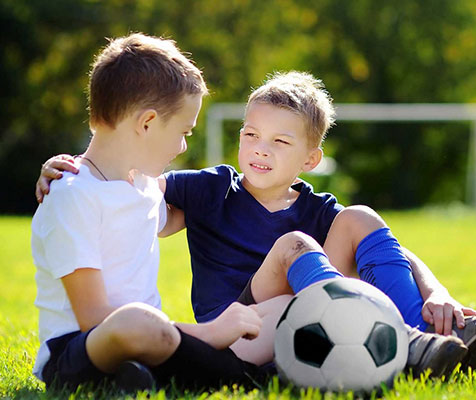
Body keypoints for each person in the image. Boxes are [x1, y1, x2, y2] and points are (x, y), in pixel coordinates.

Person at [37, 72, 476, 379]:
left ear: (311, 158)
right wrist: (66, 168)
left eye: (279, 141)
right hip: (235, 328)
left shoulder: (316, 208)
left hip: (295, 314)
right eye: (250, 135)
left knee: (360, 219)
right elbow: (131, 190)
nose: (260, 149)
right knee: (295, 246)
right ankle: (405, 343)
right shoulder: (209, 189)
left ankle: (429, 340)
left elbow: (394, 251)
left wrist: (437, 291)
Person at [31, 33, 346, 393]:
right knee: (137, 323)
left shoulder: (144, 188)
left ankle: (262, 371)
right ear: (147, 123)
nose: (183, 145)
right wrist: (209, 332)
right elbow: (94, 319)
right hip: (82, 349)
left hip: (158, 343)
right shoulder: (73, 197)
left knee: (285, 307)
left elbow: (196, 217)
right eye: (183, 131)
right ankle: (231, 367)